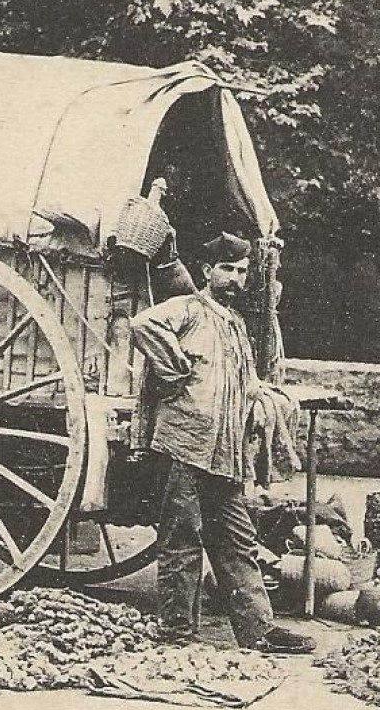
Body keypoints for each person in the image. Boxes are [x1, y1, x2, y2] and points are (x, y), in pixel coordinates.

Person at [128, 232, 315, 655]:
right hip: (186, 446)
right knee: (182, 540)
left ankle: (259, 632)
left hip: (226, 452)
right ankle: (178, 634)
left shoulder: (237, 324)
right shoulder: (189, 309)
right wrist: (174, 370)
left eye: (242, 272)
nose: (234, 278)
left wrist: (265, 396)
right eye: (227, 269)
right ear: (207, 272)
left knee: (237, 541)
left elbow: (245, 382)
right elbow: (142, 324)